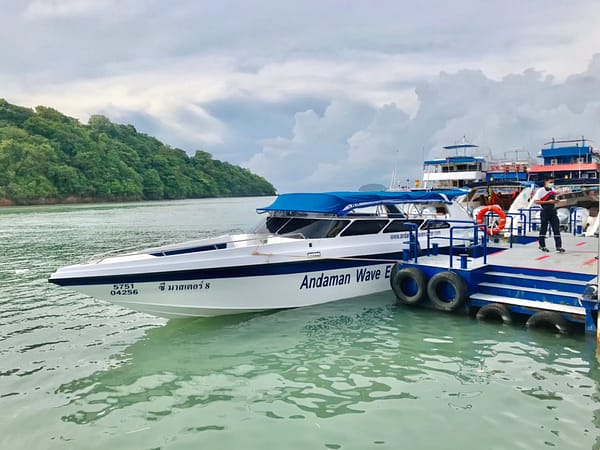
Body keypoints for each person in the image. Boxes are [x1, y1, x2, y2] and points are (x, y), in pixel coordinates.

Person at [532, 176, 565, 253]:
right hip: (544, 211)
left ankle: (558, 246)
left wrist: (556, 201)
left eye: (553, 182)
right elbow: (536, 201)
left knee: (556, 229)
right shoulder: (541, 191)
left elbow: (554, 199)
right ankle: (542, 245)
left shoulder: (552, 190)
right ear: (546, 182)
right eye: (550, 182)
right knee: (544, 229)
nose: (552, 184)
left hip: (553, 211)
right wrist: (548, 202)